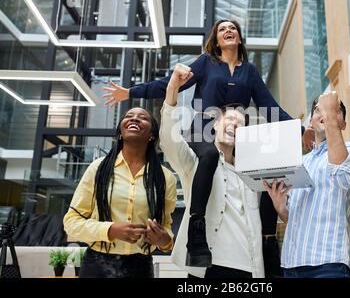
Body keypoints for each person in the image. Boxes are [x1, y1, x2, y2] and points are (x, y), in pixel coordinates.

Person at [101, 19, 308, 274]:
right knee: (209, 155)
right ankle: (196, 224)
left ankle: (267, 243)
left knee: (260, 177)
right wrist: (130, 91)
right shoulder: (206, 63)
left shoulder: (250, 71)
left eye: (233, 28)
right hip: (203, 131)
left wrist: (300, 131)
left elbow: (270, 106)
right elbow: (171, 81)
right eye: (222, 29)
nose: (228, 31)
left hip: (237, 134)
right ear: (216, 40)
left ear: (239, 38)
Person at [159, 64, 264, 278]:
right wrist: (172, 91)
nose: (235, 125)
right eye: (230, 119)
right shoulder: (195, 164)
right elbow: (170, 142)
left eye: (240, 124)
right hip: (207, 268)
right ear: (215, 125)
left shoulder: (251, 175)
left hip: (248, 269)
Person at [63, 108, 177, 278]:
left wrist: (165, 241)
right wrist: (110, 230)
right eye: (129, 116)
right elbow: (71, 222)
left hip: (141, 268)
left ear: (152, 135)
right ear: (120, 132)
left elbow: (166, 228)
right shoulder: (98, 169)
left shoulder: (165, 178)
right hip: (97, 266)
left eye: (143, 118)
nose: (135, 119)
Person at [264, 92, 350, 278]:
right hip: (291, 263)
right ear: (310, 122)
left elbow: (343, 177)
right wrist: (280, 208)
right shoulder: (300, 162)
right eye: (319, 110)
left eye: (336, 111)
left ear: (342, 124)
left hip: (329, 262)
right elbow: (296, 218)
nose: (325, 114)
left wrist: (329, 116)